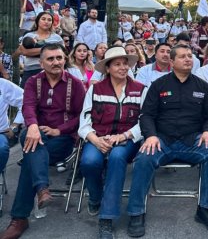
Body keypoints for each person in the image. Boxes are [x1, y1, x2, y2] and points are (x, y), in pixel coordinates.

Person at [126, 44, 208, 237]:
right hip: (162, 140)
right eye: (182, 56)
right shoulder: (159, 85)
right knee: (144, 157)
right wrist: (151, 135)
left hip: (192, 140)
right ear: (172, 62)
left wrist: (207, 131)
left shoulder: (202, 86)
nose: (188, 59)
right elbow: (146, 115)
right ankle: (136, 212)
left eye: (190, 56)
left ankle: (206, 209)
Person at [0, 44, 85, 239]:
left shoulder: (75, 84)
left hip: (62, 138)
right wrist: (32, 125)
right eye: (51, 59)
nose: (56, 62)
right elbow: (27, 106)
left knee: (31, 157)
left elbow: (82, 116)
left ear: (64, 59)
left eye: (59, 58)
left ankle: (20, 218)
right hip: (35, 134)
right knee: (29, 138)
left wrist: (58, 130)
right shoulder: (32, 82)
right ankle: (40, 190)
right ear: (41, 63)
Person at [78, 46, 146, 238]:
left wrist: (123, 136)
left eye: (125, 63)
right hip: (98, 136)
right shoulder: (95, 89)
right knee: (89, 162)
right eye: (117, 64)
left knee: (117, 158)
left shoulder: (140, 89)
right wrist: (95, 139)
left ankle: (106, 218)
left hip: (127, 139)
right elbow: (84, 122)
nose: (123, 67)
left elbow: (145, 121)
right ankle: (96, 197)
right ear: (107, 68)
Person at [15, 12, 64, 88]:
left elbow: (62, 53)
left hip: (51, 72)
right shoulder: (29, 36)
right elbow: (25, 52)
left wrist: (34, 51)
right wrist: (50, 50)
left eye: (49, 20)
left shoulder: (57, 38)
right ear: (38, 21)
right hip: (30, 71)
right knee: (25, 96)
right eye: (43, 19)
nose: (46, 22)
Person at [0, 79, 24, 173]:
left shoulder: (3, 84)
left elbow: (26, 101)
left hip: (1, 132)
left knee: (1, 149)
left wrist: (14, 125)